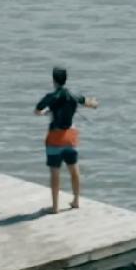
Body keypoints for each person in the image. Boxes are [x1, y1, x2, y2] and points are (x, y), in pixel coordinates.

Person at [36, 66, 97, 213]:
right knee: (74, 169)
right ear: (65, 79)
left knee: (55, 173)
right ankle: (76, 200)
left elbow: (38, 111)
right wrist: (92, 102)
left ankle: (55, 207)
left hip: (55, 138)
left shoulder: (50, 97)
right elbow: (93, 104)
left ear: (54, 80)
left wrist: (46, 112)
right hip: (70, 137)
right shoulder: (74, 95)